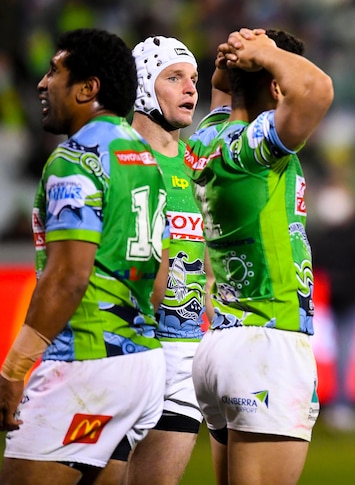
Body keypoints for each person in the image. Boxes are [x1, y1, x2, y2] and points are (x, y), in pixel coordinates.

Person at [0, 28, 168, 485]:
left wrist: (14, 369)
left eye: (55, 71)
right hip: (143, 365)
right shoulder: (145, 160)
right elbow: (159, 276)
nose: (42, 82)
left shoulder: (75, 159)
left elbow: (67, 277)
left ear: (88, 88)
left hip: (87, 363)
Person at [186, 28, 333, 485]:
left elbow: (221, 91)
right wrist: (264, 53)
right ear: (275, 83)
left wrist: (232, 57)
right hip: (268, 339)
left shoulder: (208, 136)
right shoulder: (253, 149)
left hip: (221, 344)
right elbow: (316, 90)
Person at [121, 35, 213, 485]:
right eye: (174, 78)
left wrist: (211, 293)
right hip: (126, 344)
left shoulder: (198, 166)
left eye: (193, 79)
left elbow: (209, 248)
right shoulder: (118, 156)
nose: (190, 89)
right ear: (141, 86)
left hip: (183, 352)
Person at [309, 180, 355, 433]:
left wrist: (340, 279)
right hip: (340, 300)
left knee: (344, 353)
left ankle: (343, 403)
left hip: (346, 299)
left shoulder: (334, 236)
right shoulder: (351, 235)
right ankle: (342, 403)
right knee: (343, 353)